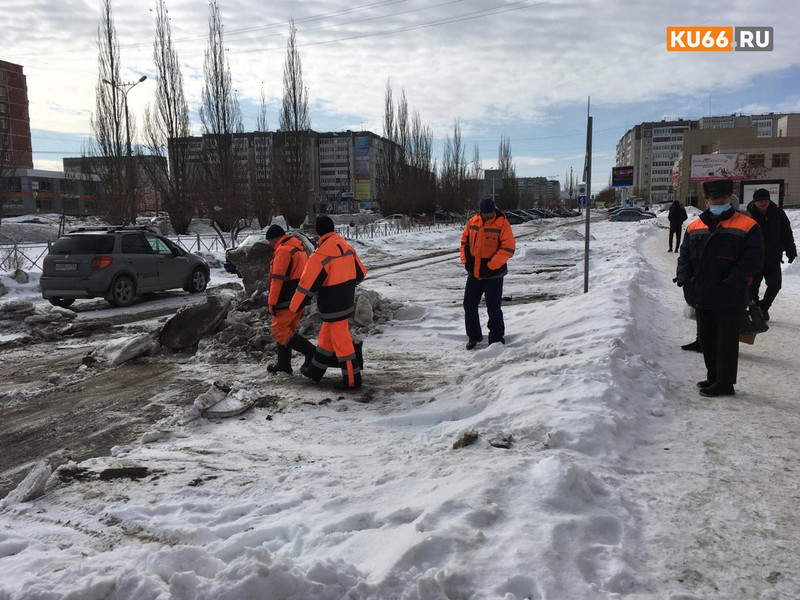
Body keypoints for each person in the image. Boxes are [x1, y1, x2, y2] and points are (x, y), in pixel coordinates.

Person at [675, 179, 764, 397]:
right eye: (713, 199)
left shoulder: (747, 225)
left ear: (729, 199)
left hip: (730, 294)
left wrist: (731, 282)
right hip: (703, 293)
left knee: (726, 341)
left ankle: (725, 384)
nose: (717, 202)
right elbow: (684, 256)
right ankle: (713, 376)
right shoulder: (695, 226)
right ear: (706, 200)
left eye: (722, 198)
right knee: (707, 339)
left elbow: (751, 260)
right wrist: (685, 281)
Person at [290, 215, 367, 389]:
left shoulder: (320, 255)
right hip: (345, 303)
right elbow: (361, 273)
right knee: (325, 338)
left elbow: (306, 286)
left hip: (331, 306)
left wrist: (294, 307)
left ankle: (353, 381)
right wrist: (346, 285)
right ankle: (315, 372)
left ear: (318, 232)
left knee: (342, 343)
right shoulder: (347, 248)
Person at [460, 198, 516, 349]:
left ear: (494, 210)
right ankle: (473, 336)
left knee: (493, 307)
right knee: (469, 304)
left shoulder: (502, 223)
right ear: (480, 212)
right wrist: (466, 261)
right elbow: (464, 242)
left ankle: (496, 339)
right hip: (475, 272)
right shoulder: (473, 221)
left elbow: (508, 248)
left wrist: (491, 265)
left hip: (494, 274)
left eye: (490, 213)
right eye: (485, 214)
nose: (487, 216)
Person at [264, 225, 316, 374]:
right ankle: (283, 364)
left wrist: (272, 302)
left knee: (279, 330)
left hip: (285, 298)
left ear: (274, 239)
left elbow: (277, 280)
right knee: (288, 330)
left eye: (270, 241)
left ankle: (311, 352)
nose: (270, 245)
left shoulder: (283, 251)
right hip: (298, 297)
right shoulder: (298, 249)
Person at [746, 188, 797, 321]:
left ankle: (764, 307)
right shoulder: (748, 215)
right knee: (752, 288)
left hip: (773, 257)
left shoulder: (778, 213)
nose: (763, 203)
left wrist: (791, 249)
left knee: (775, 285)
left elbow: (786, 232)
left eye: (765, 200)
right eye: (759, 201)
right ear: (754, 202)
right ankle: (755, 309)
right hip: (753, 258)